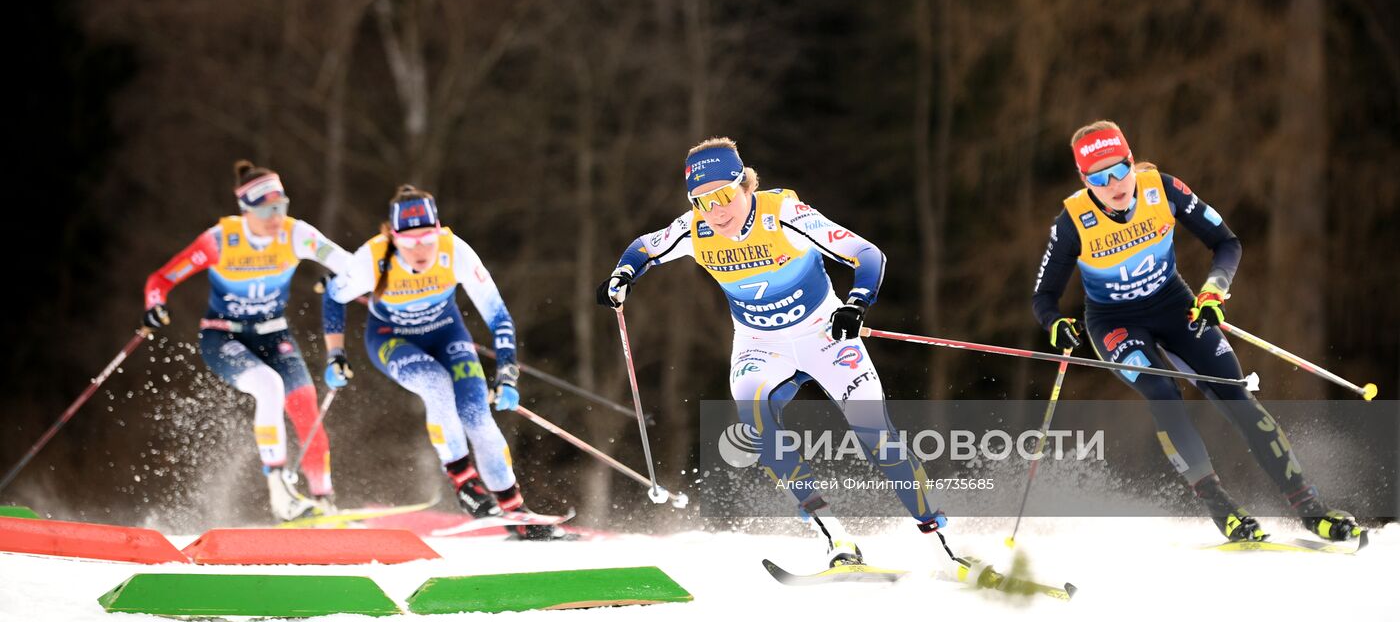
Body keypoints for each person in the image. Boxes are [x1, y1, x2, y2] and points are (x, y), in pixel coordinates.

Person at [597, 137, 946, 568]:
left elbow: (867, 254)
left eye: (724, 195)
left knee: (875, 432)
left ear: (745, 185)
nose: (715, 211)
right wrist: (623, 275)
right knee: (759, 425)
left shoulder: (785, 215)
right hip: (760, 346)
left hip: (825, 335)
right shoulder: (695, 228)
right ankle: (837, 541)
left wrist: (857, 303)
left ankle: (945, 546)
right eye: (700, 201)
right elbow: (646, 247)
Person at [1032, 120, 1360, 543]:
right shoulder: (1072, 221)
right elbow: (1044, 296)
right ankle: (1221, 507)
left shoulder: (1163, 190)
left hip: (1176, 307)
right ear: (1084, 179)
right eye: (1099, 176)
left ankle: (1311, 509)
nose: (1114, 183)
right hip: (1114, 324)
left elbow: (1227, 243)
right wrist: (1055, 323)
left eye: (1120, 169)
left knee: (1235, 394)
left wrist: (1213, 291)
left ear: (1132, 162)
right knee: (1164, 392)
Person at [321, 185, 559, 538]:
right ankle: (465, 484)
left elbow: (498, 316)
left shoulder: (456, 252)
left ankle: (516, 513)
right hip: (391, 339)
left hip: (447, 334)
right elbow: (332, 296)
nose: (421, 249)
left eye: (427, 238)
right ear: (393, 236)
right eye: (409, 241)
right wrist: (335, 355)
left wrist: (507, 373)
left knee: (478, 415)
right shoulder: (373, 258)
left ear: (439, 230)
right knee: (436, 385)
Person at [142, 160, 352, 522]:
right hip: (223, 336)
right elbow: (160, 280)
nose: (276, 217)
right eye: (267, 210)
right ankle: (279, 494)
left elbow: (348, 265)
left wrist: (340, 281)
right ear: (245, 210)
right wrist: (154, 306)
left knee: (305, 404)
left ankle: (325, 501)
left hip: (274, 333)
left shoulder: (296, 234)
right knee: (269, 387)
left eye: (281, 206)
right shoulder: (220, 241)